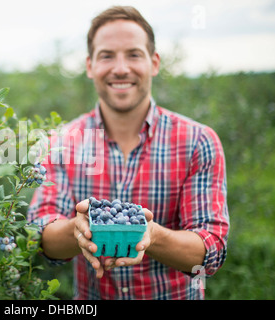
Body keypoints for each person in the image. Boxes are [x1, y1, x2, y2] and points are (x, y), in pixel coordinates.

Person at [27, 6, 229, 300]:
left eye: (133, 54)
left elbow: (210, 251)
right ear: (89, 65)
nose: (120, 68)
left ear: (154, 62)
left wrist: (152, 235)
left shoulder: (198, 141)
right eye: (107, 55)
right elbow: (39, 235)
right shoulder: (61, 143)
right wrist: (78, 230)